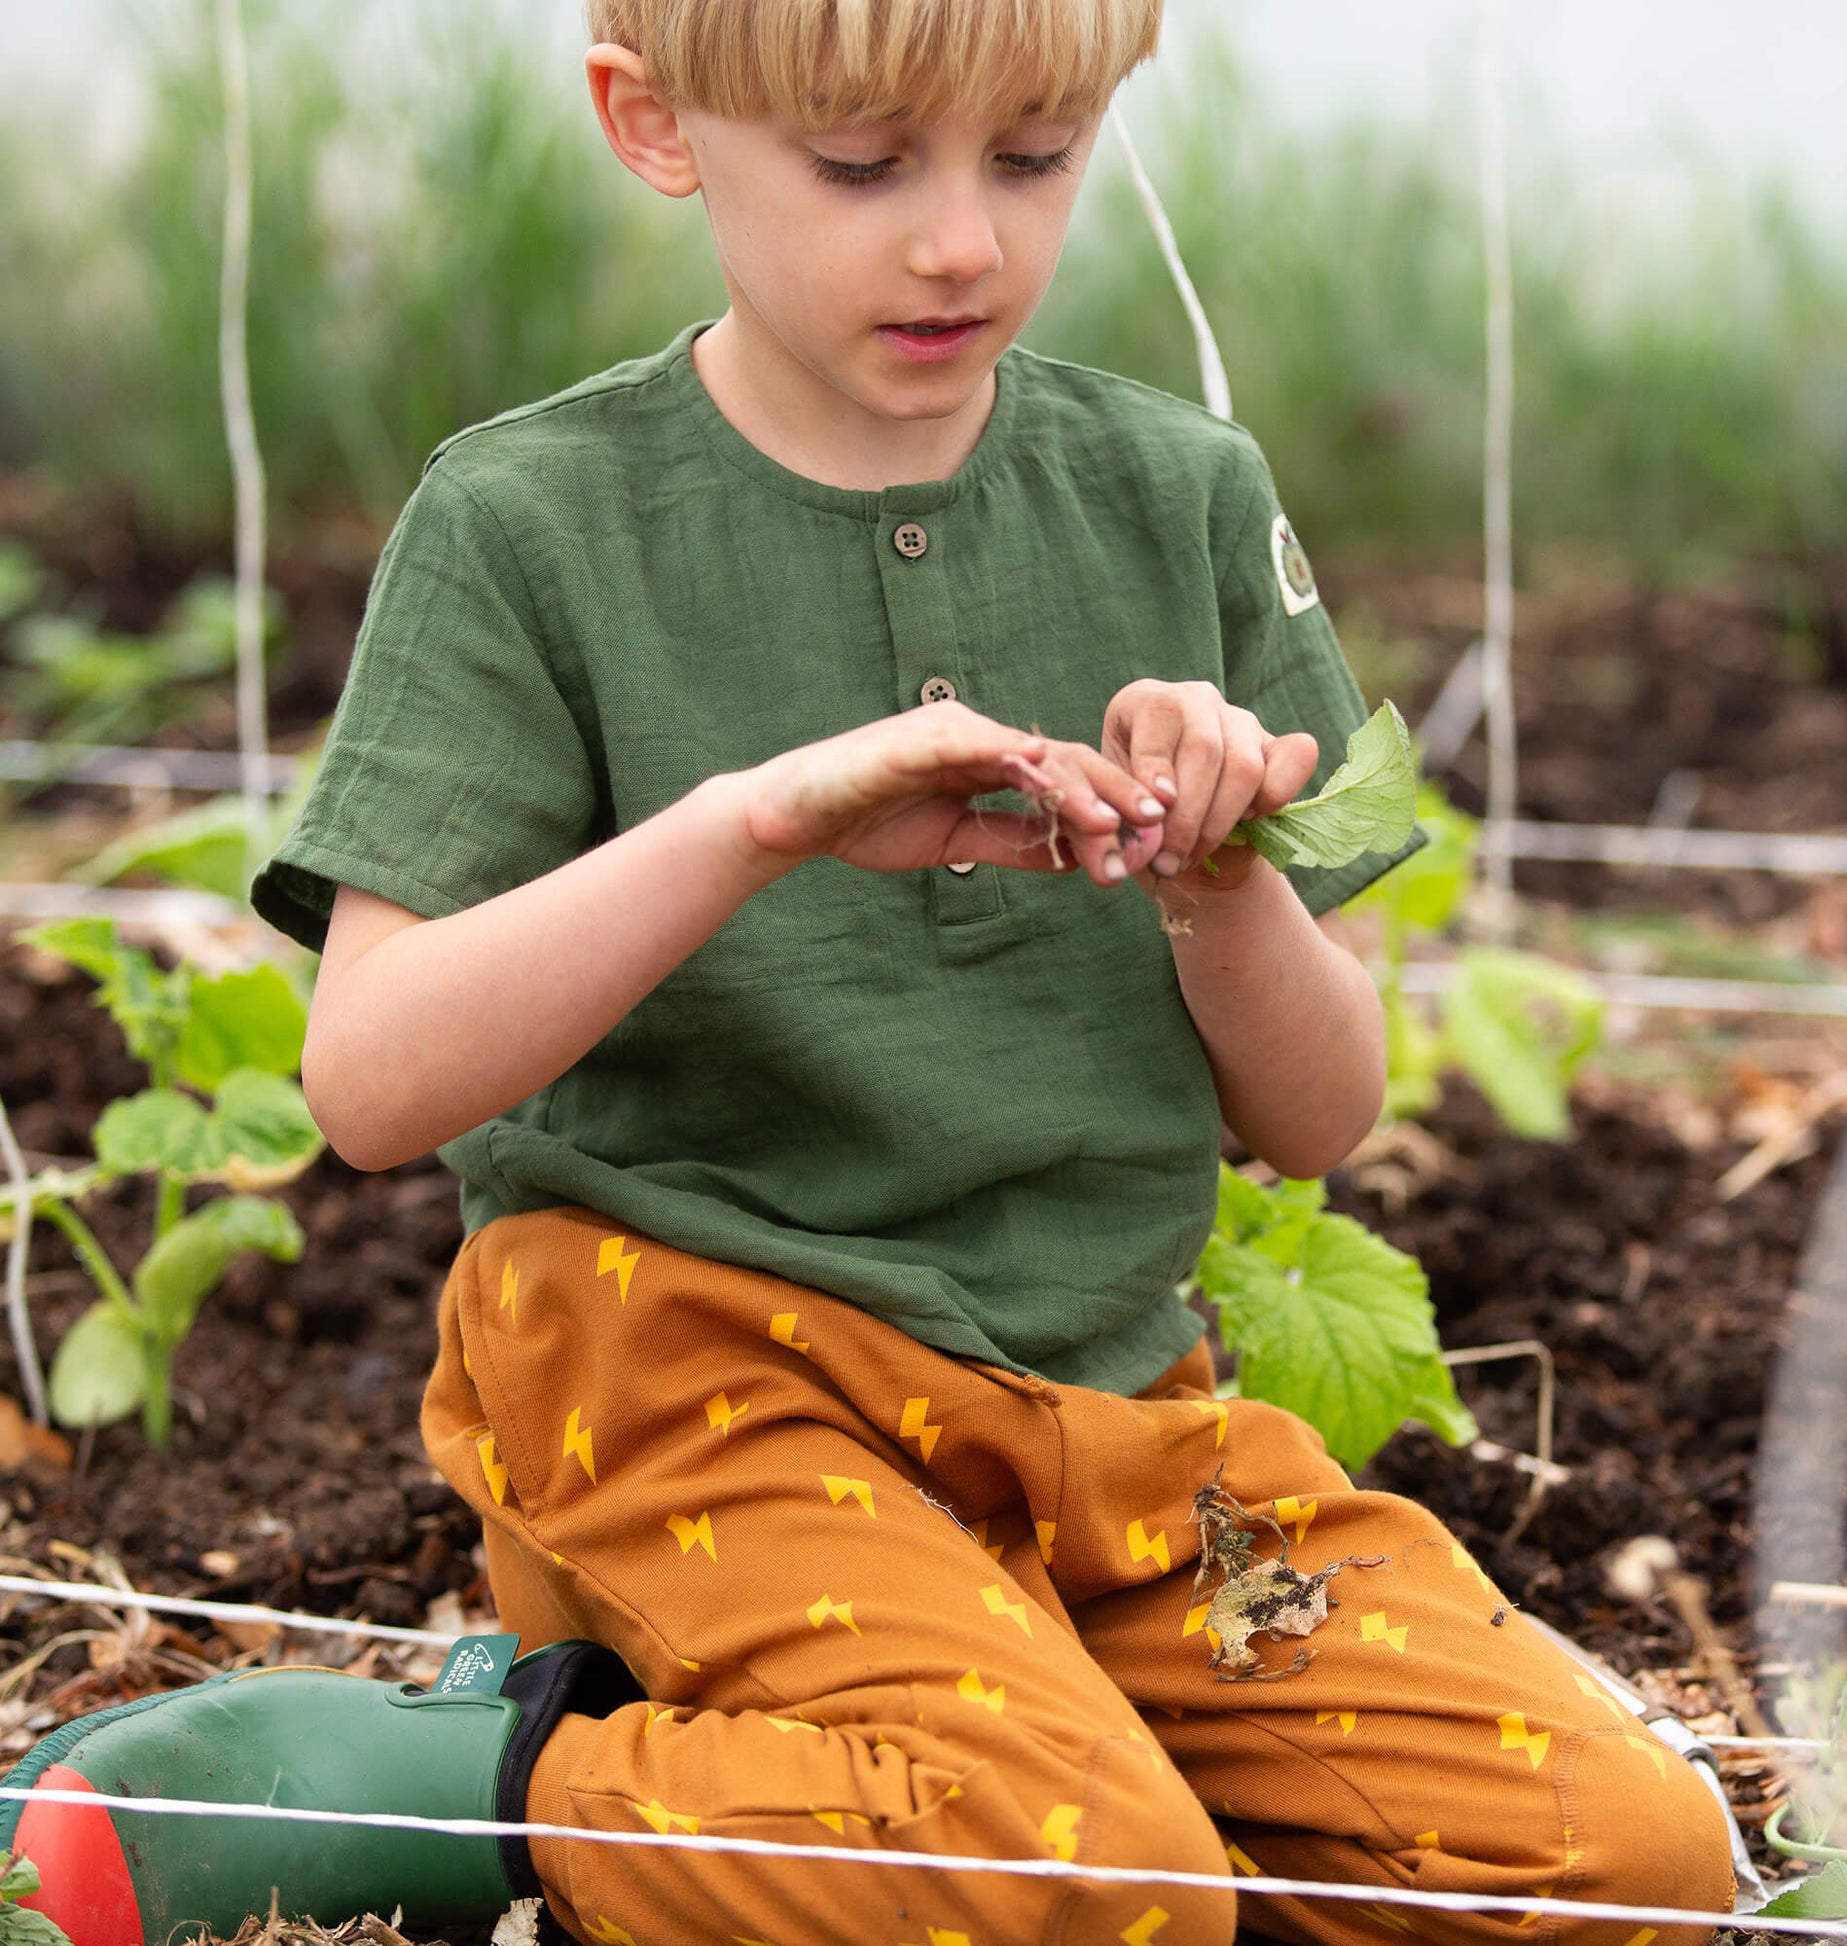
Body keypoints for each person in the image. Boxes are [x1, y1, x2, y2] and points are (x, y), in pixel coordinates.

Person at [0, 2, 1737, 1941]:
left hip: (1107, 1408)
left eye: (1034, 152)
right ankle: (483, 1791)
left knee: (1617, 1855)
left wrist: (1220, 873)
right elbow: (375, 1085)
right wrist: (749, 824)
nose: (960, 245)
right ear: (656, 125)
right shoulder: (530, 521)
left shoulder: (1176, 492)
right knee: (1082, 1879)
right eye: (861, 165)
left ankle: (945, 1801)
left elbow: (1318, 1116)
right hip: (689, 1385)